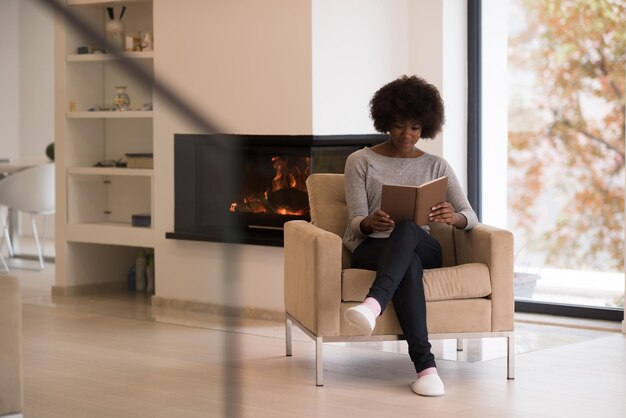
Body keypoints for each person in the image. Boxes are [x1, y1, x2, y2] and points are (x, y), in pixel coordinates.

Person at [343, 75, 478, 397]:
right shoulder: (360, 161)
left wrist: (454, 217)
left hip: (423, 244)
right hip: (373, 247)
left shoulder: (436, 165)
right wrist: (369, 223)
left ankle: (373, 303)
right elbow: (354, 223)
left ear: (425, 128)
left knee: (408, 229)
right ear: (386, 121)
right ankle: (426, 369)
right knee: (409, 264)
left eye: (415, 128)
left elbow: (470, 216)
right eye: (400, 125)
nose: (407, 135)